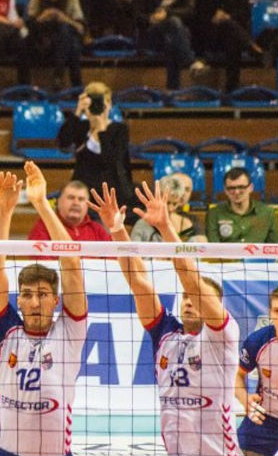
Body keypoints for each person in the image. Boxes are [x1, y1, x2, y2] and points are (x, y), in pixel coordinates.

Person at [88, 181, 240, 456]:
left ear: (217, 306)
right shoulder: (166, 333)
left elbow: (191, 281)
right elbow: (138, 281)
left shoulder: (223, 334)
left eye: (197, 299)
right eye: (186, 298)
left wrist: (166, 227)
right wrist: (117, 230)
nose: (190, 301)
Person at [0, 161, 87, 456]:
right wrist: (4, 212)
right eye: (27, 295)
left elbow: (71, 263)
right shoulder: (6, 332)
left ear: (56, 300)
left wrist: (41, 203)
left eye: (43, 294)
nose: (34, 302)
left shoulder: (69, 332)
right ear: (18, 300)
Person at [57, 81, 135, 219]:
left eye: (100, 103)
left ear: (109, 105)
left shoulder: (120, 130)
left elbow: (112, 160)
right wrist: (77, 112)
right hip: (83, 189)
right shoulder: (82, 127)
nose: (96, 107)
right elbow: (63, 143)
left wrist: (101, 130)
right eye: (92, 103)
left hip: (111, 190)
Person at [134, 0, 207, 89]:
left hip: (176, 36)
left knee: (172, 39)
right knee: (174, 25)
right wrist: (151, 18)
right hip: (152, 35)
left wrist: (168, 13)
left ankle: (172, 90)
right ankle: (191, 62)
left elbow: (190, 11)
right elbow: (136, 15)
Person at [193, 0, 261, 92]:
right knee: (231, 30)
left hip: (231, 36)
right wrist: (213, 18)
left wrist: (228, 17)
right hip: (210, 35)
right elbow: (198, 17)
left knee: (231, 34)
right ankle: (251, 47)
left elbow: (245, 15)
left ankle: (231, 88)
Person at [236, 286, 278, 456]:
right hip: (265, 418)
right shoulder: (258, 341)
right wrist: (244, 398)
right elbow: (237, 375)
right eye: (277, 311)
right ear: (270, 314)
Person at [27, 0, 85, 90]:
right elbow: (28, 27)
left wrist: (64, 18)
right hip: (43, 41)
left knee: (67, 34)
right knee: (73, 47)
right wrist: (42, 17)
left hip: (65, 40)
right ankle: (75, 86)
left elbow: (80, 28)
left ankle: (59, 76)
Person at [28, 179, 111, 249]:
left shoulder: (97, 230)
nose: (76, 203)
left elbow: (112, 260)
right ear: (58, 201)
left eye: (81, 199)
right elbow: (42, 261)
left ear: (88, 205)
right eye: (71, 198)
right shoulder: (43, 228)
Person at [206, 168, 278, 243]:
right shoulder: (214, 214)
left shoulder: (267, 213)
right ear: (225, 190)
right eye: (231, 188)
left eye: (241, 187)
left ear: (251, 188)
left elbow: (273, 247)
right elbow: (213, 247)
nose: (236, 192)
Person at [131, 174, 197, 242]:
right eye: (167, 203)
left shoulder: (185, 225)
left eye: (175, 204)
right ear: (158, 197)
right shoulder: (141, 225)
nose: (170, 208)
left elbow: (191, 249)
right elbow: (133, 248)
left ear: (180, 201)